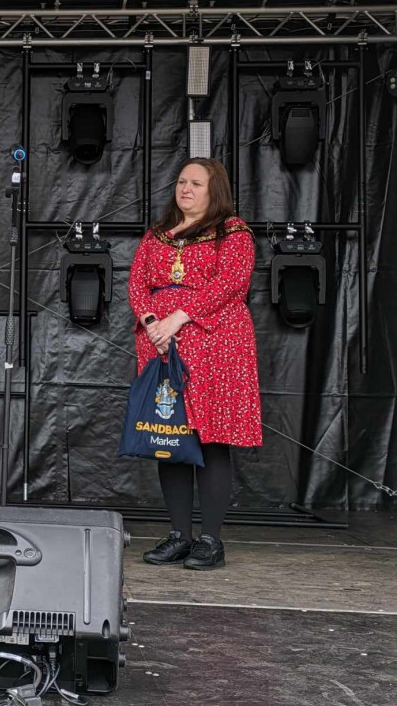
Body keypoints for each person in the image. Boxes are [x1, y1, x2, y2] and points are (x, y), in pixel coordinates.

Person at [127, 158, 262, 570]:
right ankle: (179, 535)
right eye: (182, 182)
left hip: (215, 346)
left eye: (196, 183)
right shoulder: (157, 236)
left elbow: (231, 283)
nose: (185, 189)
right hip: (163, 347)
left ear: (213, 189)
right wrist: (151, 322)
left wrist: (179, 316)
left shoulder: (233, 233)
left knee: (210, 439)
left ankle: (210, 540)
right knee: (170, 439)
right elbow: (137, 282)